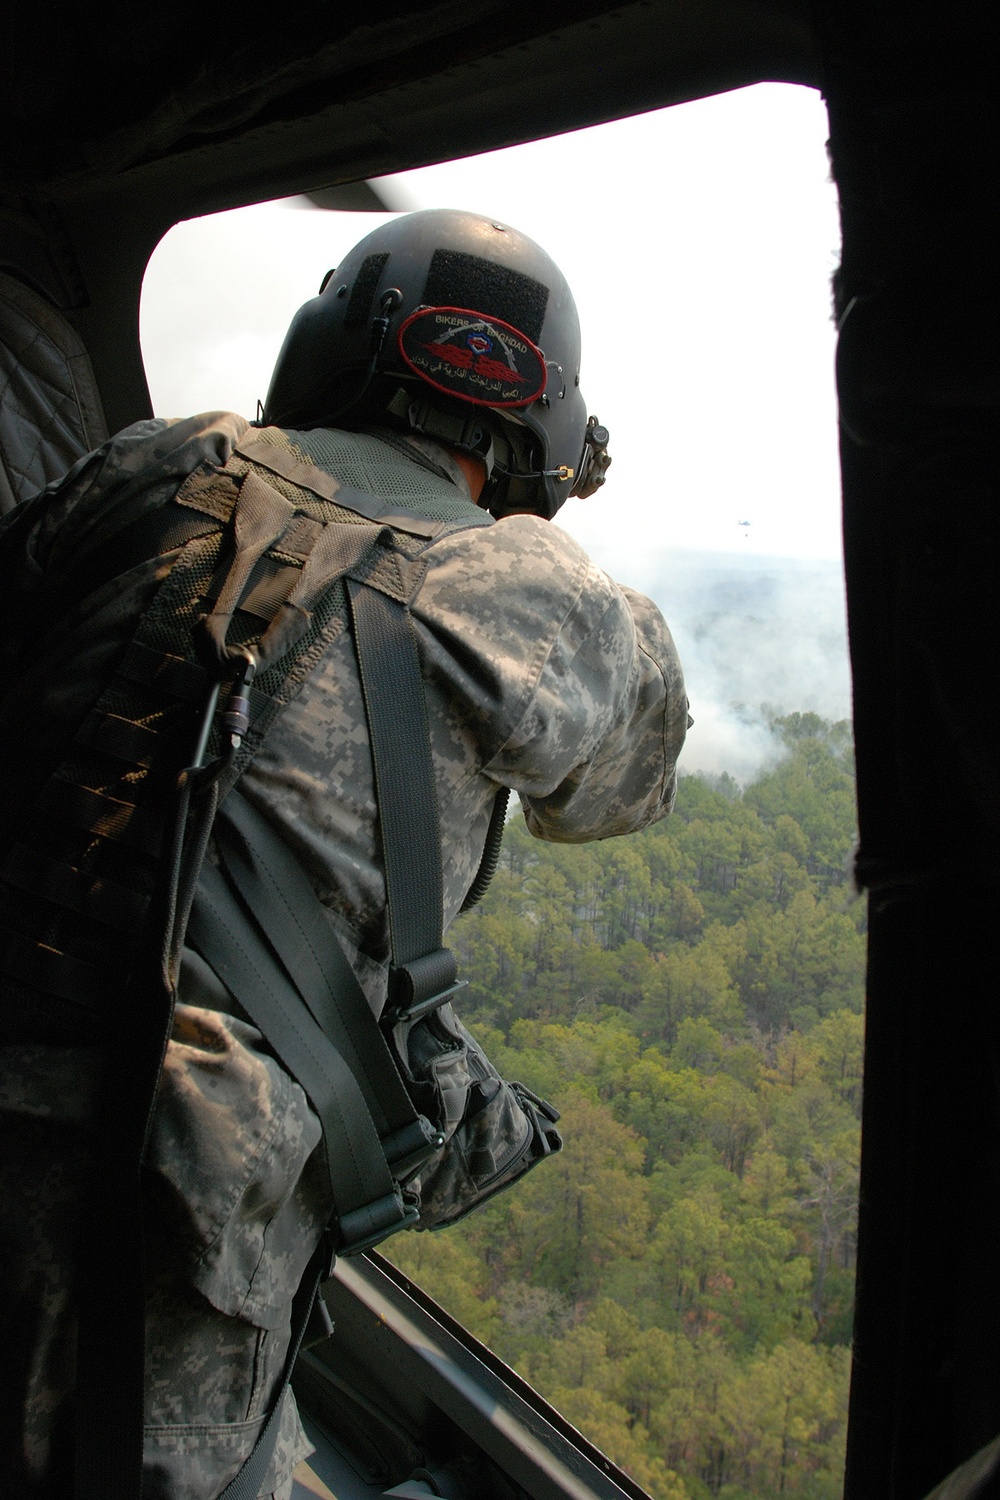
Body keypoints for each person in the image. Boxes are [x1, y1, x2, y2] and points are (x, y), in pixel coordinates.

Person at [0, 209, 689, 1499]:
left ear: (324, 348)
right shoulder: (547, 595)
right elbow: (615, 797)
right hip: (149, 1251)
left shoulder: (161, 458)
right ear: (542, 435)